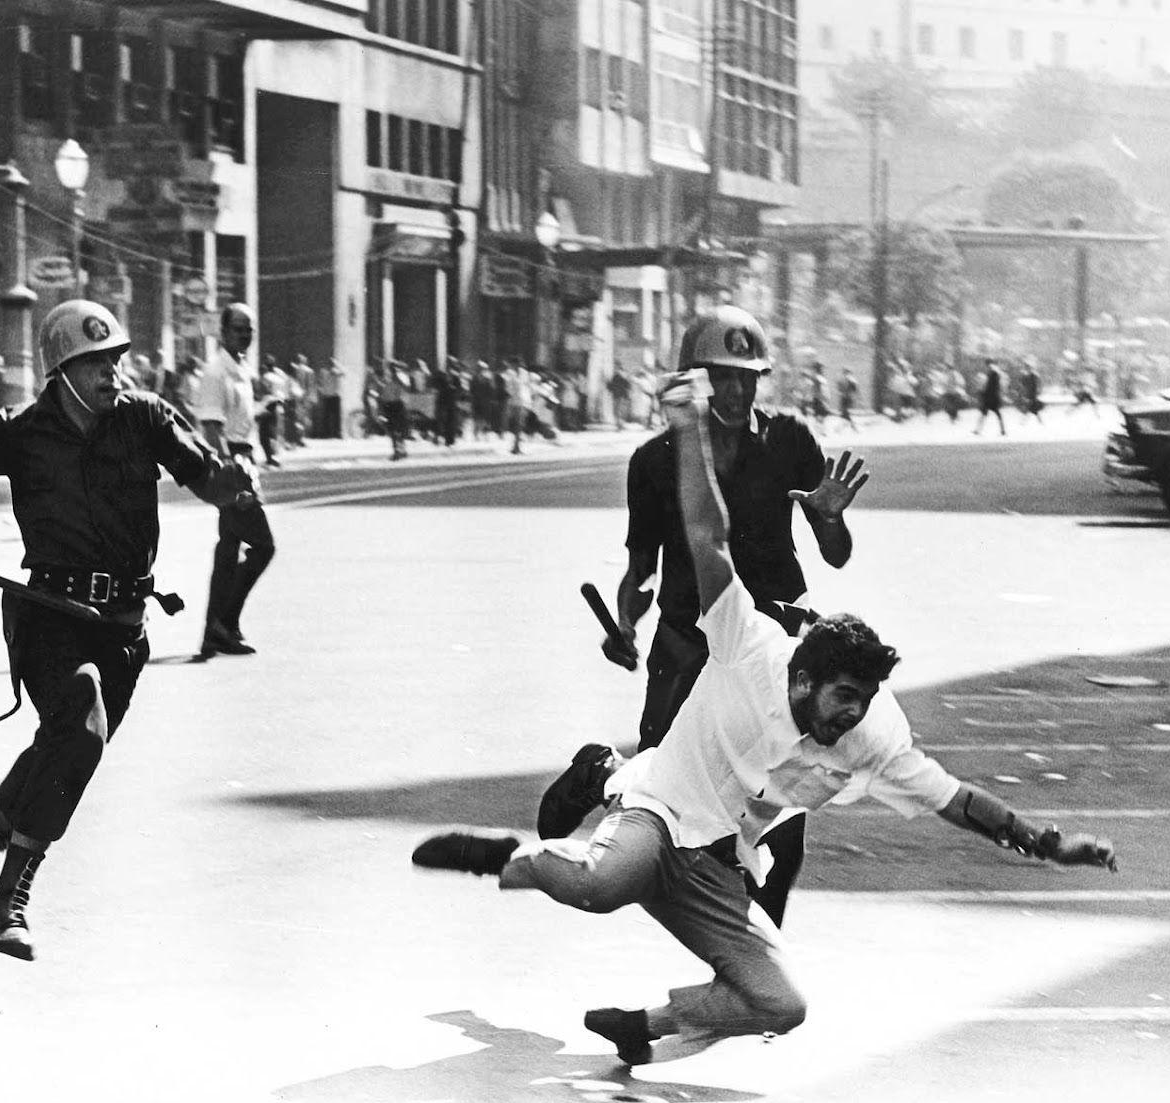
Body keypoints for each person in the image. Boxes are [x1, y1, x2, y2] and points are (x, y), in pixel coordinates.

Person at [413, 366, 1119, 1065]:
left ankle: (647, 1024)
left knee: (783, 1003)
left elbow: (955, 799)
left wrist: (1046, 841)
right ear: (803, 677)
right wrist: (687, 426)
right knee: (602, 884)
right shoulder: (749, 645)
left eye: (864, 702)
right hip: (660, 813)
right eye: (843, 697)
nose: (852, 716)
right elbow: (705, 534)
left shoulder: (871, 734)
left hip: (720, 858)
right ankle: (503, 853)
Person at [0, 299, 256, 961]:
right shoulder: (22, 428)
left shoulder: (143, 417)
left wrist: (230, 486)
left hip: (123, 628)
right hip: (48, 614)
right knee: (81, 724)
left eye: (117, 359)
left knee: (66, 745)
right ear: (61, 369)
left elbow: (204, 477)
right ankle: (8, 901)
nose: (113, 372)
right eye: (96, 362)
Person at [539, 305, 866, 928]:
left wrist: (830, 517)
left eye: (749, 377)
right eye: (723, 376)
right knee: (658, 795)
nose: (739, 391)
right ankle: (599, 771)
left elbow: (837, 555)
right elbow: (641, 567)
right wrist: (627, 623)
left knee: (783, 821)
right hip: (691, 637)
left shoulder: (791, 441)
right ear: (695, 379)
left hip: (774, 645)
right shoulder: (658, 460)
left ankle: (757, 960)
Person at [195, 302, 277, 658]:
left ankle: (218, 630)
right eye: (239, 329)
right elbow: (212, 429)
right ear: (223, 332)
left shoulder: (240, 368)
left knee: (228, 551)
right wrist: (231, 476)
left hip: (244, 460)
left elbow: (237, 421)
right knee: (263, 546)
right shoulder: (216, 372)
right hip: (233, 467)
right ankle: (223, 622)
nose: (245, 335)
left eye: (250, 329)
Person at [972, 358, 1007, 436]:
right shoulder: (995, 373)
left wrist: (983, 392)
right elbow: (995, 386)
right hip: (994, 398)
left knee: (984, 414)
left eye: (986, 365)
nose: (986, 367)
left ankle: (978, 430)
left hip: (990, 398)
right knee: (997, 414)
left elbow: (990, 387)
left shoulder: (992, 373)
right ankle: (1002, 430)